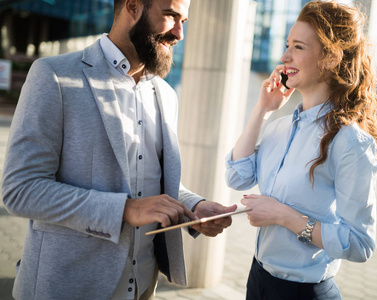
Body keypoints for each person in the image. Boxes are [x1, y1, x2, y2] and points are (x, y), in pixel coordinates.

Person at [1, 0, 237, 299]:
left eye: (184, 21)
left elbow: (150, 181)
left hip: (141, 286)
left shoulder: (165, 94)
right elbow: (21, 190)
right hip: (68, 284)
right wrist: (125, 209)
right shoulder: (53, 75)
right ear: (133, 7)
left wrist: (195, 206)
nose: (179, 33)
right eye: (171, 16)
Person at [225, 1, 377, 299]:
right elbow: (237, 177)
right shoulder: (280, 126)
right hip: (257, 281)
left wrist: (284, 216)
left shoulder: (351, 143)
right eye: (287, 45)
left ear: (330, 57)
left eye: (298, 47)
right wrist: (262, 109)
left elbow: (360, 243)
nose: (284, 56)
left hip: (305, 293)